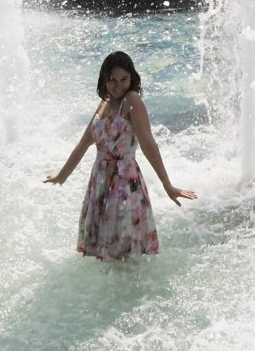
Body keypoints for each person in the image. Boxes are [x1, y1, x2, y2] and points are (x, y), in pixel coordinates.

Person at [44, 51, 196, 260]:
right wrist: (62, 176)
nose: (118, 85)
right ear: (104, 80)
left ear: (132, 78)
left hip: (124, 183)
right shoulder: (105, 102)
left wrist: (167, 185)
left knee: (124, 251)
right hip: (99, 182)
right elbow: (84, 142)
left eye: (124, 79)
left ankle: (136, 291)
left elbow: (148, 143)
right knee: (106, 251)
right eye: (112, 80)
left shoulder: (133, 101)